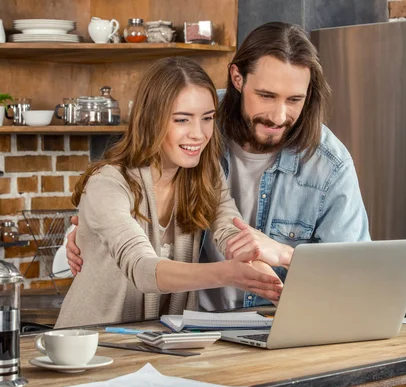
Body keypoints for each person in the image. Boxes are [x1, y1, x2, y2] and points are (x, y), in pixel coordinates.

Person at [65, 22, 371, 311]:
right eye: (266, 96)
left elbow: (231, 232)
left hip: (199, 336)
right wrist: (91, 232)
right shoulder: (195, 131)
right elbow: (138, 261)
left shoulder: (205, 169)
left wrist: (279, 269)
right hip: (120, 339)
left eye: (294, 100)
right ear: (237, 79)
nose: (279, 116)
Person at [55, 57, 285, 329]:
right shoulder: (107, 184)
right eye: (182, 120)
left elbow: (231, 233)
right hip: (92, 347)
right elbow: (141, 268)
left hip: (162, 346)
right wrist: (225, 274)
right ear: (152, 120)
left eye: (208, 118)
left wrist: (272, 286)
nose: (198, 134)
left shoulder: (206, 176)